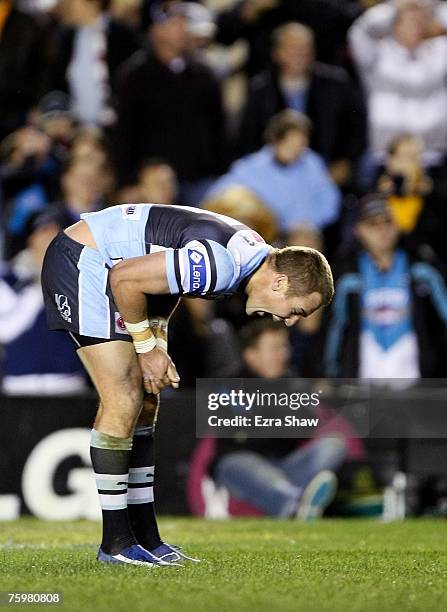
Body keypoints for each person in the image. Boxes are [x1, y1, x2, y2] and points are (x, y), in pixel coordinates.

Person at [41, 202, 334, 566]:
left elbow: (168, 281)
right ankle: (115, 543)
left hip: (110, 265)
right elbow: (126, 280)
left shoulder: (247, 259)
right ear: (280, 282)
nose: (289, 322)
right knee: (125, 395)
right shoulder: (223, 265)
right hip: (85, 261)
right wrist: (147, 349)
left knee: (147, 398)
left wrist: (158, 344)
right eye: (296, 310)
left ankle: (146, 537)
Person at [213, 318, 347, 519]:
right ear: (251, 355)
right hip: (243, 466)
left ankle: (296, 502)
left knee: (334, 444)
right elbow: (238, 437)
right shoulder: (229, 383)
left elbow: (302, 428)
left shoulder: (292, 383)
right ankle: (295, 504)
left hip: (287, 464)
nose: (282, 355)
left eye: (284, 347)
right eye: (274, 349)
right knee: (240, 464)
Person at [322, 195, 447, 378]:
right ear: (359, 230)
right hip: (365, 376)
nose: (382, 230)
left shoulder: (422, 269)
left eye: (387, 222)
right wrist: (328, 373)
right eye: (373, 224)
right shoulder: (346, 276)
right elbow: (334, 327)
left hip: (415, 375)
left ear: (397, 226)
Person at [113, 0, 227, 202]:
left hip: (200, 181)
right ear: (155, 30)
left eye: (184, 22)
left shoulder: (205, 74)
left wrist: (221, 174)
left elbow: (219, 130)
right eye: (175, 23)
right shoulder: (134, 76)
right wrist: (127, 183)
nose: (182, 29)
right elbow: (124, 134)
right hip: (153, 185)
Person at [237, 21, 365, 186]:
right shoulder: (261, 90)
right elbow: (247, 141)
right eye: (292, 48)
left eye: (305, 47)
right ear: (277, 53)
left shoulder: (337, 84)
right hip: (272, 176)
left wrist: (345, 163)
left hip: (328, 173)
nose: (299, 54)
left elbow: (356, 132)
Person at [349, 0, 447, 172]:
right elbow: (360, 31)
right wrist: (396, 5)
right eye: (409, 21)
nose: (416, 26)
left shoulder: (439, 52)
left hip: (432, 158)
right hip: (386, 159)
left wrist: (429, 8)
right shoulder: (377, 53)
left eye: (420, 20)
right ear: (393, 25)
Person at [207, 109, 341, 234]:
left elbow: (330, 202)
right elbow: (218, 195)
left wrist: (308, 223)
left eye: (300, 143)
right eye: (290, 142)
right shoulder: (251, 167)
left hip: (306, 233)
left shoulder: (312, 163)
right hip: (267, 236)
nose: (296, 148)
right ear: (276, 140)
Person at [0, 212, 87, 395]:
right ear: (30, 238)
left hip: (68, 381)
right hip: (19, 383)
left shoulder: (79, 277)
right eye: (44, 231)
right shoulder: (10, 279)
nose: (50, 238)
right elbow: (5, 331)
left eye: (57, 233)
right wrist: (39, 284)